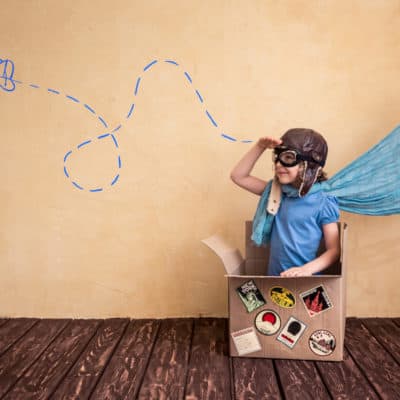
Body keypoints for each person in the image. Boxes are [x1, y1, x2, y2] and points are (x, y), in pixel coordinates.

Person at [230, 128, 340, 277]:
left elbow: (334, 250)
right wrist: (260, 147)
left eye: (288, 158)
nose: (278, 164)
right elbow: (238, 176)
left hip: (307, 283)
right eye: (277, 157)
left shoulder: (323, 201)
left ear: (309, 165)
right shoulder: (275, 192)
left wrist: (306, 270)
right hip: (275, 280)